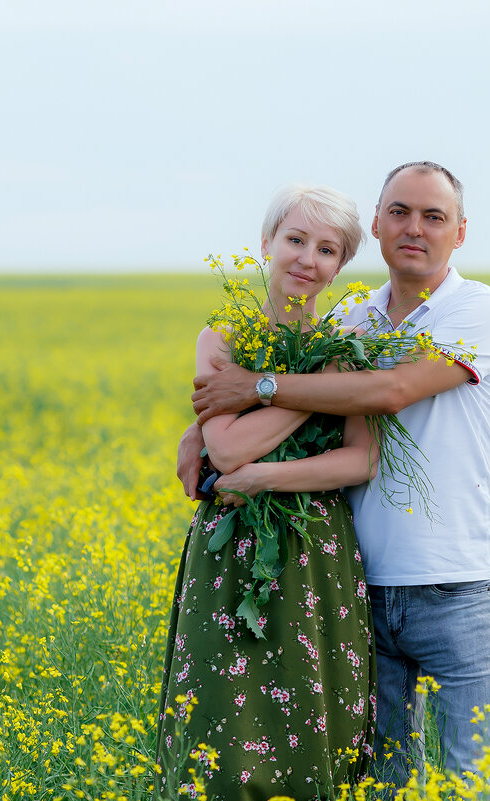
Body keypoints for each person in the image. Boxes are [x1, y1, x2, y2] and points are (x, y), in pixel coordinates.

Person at [179, 162, 490, 797]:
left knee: (475, 775)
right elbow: (296, 391)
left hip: (453, 585)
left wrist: (257, 389)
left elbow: (384, 391)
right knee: (380, 776)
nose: (415, 228)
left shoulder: (477, 309)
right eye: (400, 213)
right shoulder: (354, 323)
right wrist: (196, 429)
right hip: (358, 583)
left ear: (460, 233)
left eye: (434, 217)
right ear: (379, 229)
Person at [155, 184, 380, 801]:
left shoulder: (350, 350)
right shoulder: (224, 337)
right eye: (296, 240)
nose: (308, 259)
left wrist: (265, 469)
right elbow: (224, 452)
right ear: (267, 245)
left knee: (316, 726)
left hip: (316, 550)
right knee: (222, 728)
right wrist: (310, 385)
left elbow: (360, 460)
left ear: (340, 266)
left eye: (328, 249)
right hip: (233, 548)